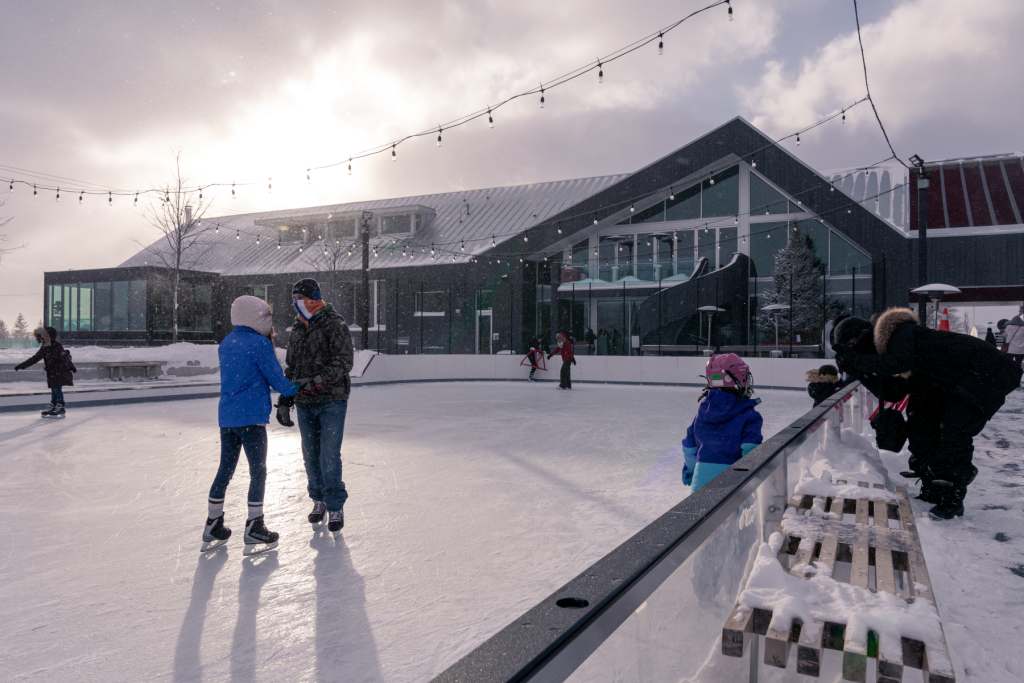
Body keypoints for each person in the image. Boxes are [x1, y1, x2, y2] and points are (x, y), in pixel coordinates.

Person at [834, 307, 1022, 519]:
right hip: (949, 382)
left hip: (988, 371)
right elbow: (893, 392)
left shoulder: (901, 333)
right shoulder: (893, 352)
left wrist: (856, 360)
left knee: (953, 431)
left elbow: (898, 363)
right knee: (921, 424)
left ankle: (952, 495)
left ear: (862, 337)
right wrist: (859, 371)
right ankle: (933, 487)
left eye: (853, 348)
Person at [203, 295, 298, 554]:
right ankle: (255, 525)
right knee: (258, 470)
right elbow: (276, 378)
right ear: (257, 318)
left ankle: (213, 522)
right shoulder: (258, 344)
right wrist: (297, 387)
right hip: (251, 418)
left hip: (228, 417)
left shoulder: (227, 343)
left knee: (225, 469)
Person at [281, 278, 354, 534]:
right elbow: (292, 366)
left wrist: (317, 382)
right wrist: (285, 399)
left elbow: (344, 362)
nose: (295, 304)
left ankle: (335, 504)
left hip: (332, 400)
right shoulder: (298, 328)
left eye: (299, 299)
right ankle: (318, 500)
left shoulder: (335, 324)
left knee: (329, 454)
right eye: (294, 299)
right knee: (310, 454)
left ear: (314, 299)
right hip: (304, 402)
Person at [682, 354, 763, 491]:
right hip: (732, 486)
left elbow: (690, 447)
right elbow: (751, 451)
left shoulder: (702, 415)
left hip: (700, 483)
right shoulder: (749, 416)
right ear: (739, 378)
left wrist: (690, 471)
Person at [14, 326, 76, 418]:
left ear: (49, 336)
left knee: (57, 389)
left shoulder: (57, 346)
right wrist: (22, 365)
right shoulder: (45, 348)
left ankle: (60, 406)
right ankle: (54, 405)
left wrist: (71, 366)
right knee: (54, 389)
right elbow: (35, 358)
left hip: (60, 372)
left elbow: (64, 357)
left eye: (42, 336)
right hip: (52, 373)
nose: (40, 339)